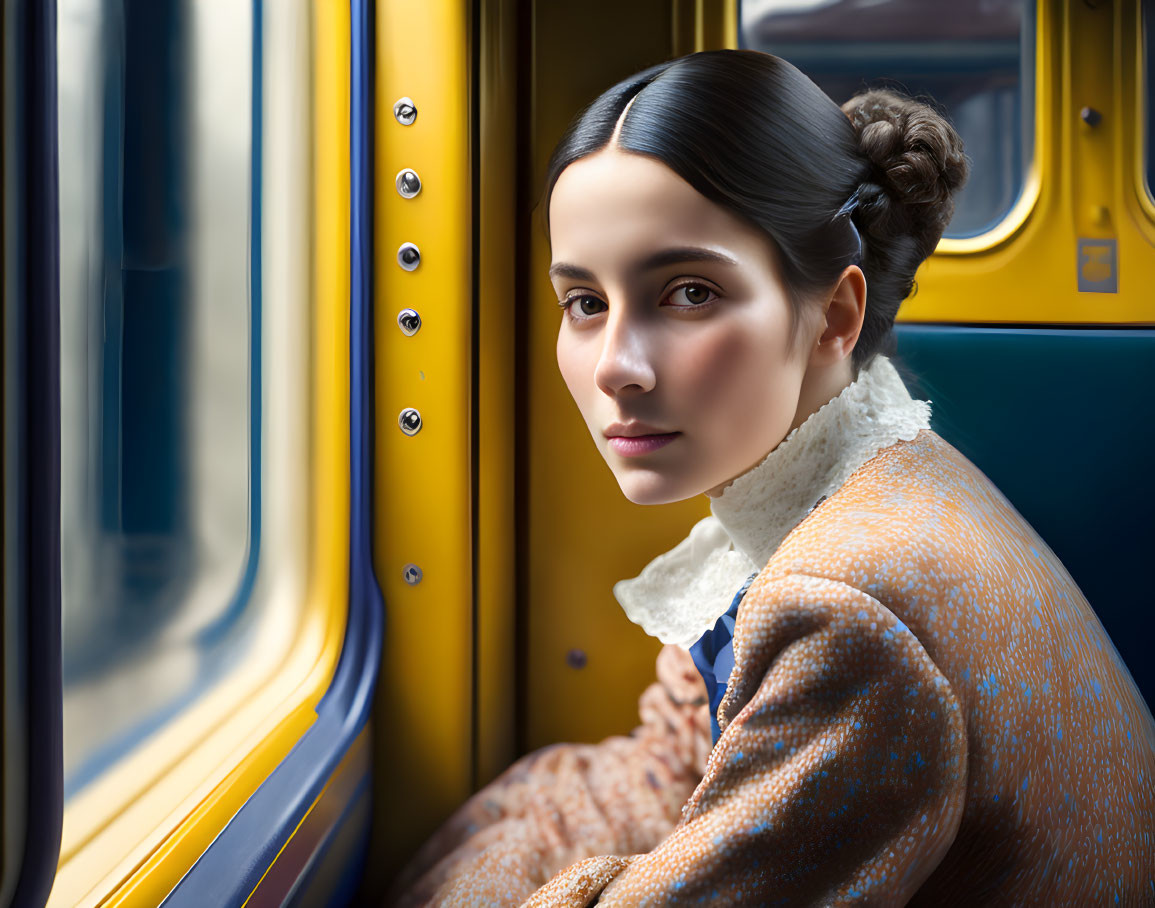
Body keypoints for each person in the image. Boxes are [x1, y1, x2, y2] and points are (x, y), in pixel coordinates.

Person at [389, 49, 1155, 906]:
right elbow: (680, 755)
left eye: (686, 293)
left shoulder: (847, 606)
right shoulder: (856, 477)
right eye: (585, 303)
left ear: (834, 313)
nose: (615, 369)